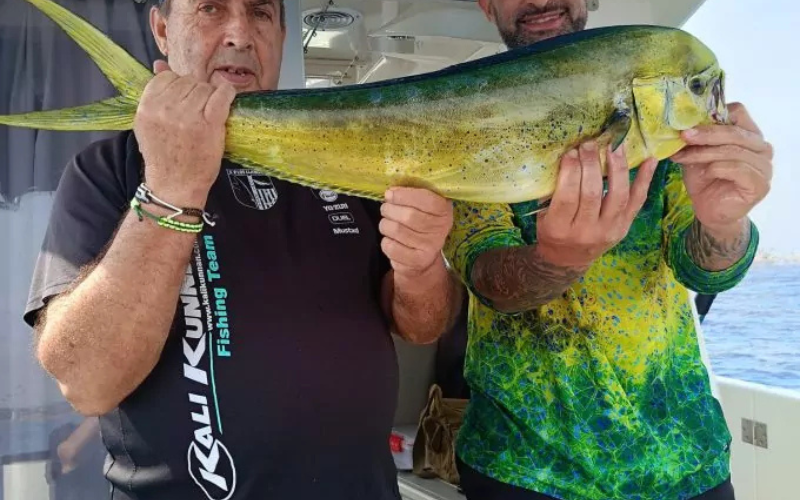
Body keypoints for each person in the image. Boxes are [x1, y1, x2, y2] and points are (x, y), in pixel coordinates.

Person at [22, 0, 463, 499]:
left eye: (259, 12)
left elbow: (422, 325)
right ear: (163, 30)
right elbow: (86, 383)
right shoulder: (107, 169)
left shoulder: (346, 160)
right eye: (211, 8)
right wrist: (171, 190)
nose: (239, 33)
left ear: (279, 32)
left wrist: (422, 265)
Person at [443, 1, 774, 500]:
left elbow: (705, 271)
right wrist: (557, 261)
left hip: (683, 461)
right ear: (487, 5)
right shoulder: (461, 114)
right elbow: (487, 278)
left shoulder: (663, 98)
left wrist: (725, 222)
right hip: (521, 467)